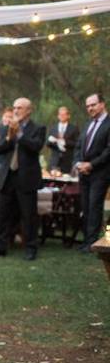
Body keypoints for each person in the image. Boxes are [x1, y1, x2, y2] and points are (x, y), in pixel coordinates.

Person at [0, 98, 46, 260]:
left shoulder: (38, 128)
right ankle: (0, 247)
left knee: (28, 215)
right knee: (4, 213)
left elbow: (35, 147)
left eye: (19, 108)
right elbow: (3, 149)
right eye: (14, 107)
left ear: (29, 110)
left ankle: (30, 249)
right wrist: (2, 143)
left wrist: (19, 133)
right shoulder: (10, 127)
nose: (15, 111)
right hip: (9, 176)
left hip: (26, 178)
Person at [74, 93, 110, 252]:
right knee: (86, 207)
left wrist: (91, 165)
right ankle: (86, 241)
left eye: (93, 105)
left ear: (102, 104)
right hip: (84, 173)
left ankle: (93, 242)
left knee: (95, 206)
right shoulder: (88, 124)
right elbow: (78, 146)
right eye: (88, 106)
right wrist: (77, 163)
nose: (90, 108)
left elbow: (109, 151)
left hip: (100, 173)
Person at [46, 106, 79, 174]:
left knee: (66, 182)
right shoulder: (53, 128)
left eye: (64, 114)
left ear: (68, 116)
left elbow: (77, 144)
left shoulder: (74, 128)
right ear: (58, 116)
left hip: (68, 162)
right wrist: (55, 141)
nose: (62, 116)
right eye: (60, 114)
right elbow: (47, 143)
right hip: (54, 162)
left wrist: (65, 142)